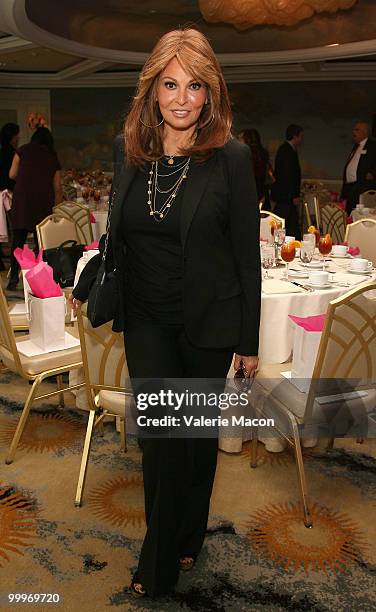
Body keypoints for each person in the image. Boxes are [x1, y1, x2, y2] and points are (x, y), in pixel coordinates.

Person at [72, 27, 260, 599]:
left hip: (207, 326)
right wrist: (84, 283)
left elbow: (244, 259)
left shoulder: (232, 158)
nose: (181, 98)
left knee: (195, 440)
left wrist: (247, 342)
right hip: (148, 322)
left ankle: (189, 534)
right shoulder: (129, 154)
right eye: (170, 84)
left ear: (210, 94)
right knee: (160, 439)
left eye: (194, 85)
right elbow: (117, 239)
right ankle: (157, 562)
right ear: (153, 89)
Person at [7, 126, 62, 290]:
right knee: (41, 243)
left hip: (23, 200)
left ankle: (13, 280)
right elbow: (58, 187)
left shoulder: (22, 150)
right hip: (42, 202)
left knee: (18, 241)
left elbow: (12, 174)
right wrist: (57, 211)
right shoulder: (52, 157)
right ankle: (38, 279)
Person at [271, 124, 303, 238]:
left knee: (289, 223)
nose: (301, 139)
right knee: (284, 222)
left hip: (286, 195)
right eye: (301, 136)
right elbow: (288, 176)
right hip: (286, 195)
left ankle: (293, 243)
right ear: (295, 136)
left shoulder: (287, 149)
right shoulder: (286, 151)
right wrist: (294, 194)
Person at [340, 120, 376, 215]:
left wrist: (373, 173)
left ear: (365, 132)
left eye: (356, 130)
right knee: (348, 213)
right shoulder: (356, 146)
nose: (353, 132)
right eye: (353, 129)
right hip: (350, 187)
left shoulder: (373, 146)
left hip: (362, 187)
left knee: (358, 214)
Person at [238, 128, 273, 209]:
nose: (237, 141)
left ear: (247, 140)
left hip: (250, 196)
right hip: (261, 194)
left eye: (239, 138)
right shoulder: (261, 155)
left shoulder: (246, 156)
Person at [0, 122, 19, 270]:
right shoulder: (13, 153)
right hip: (7, 194)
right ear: (12, 137)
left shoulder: (2, 151)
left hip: (2, 192)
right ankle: (15, 259)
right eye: (16, 135)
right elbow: (13, 176)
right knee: (14, 229)